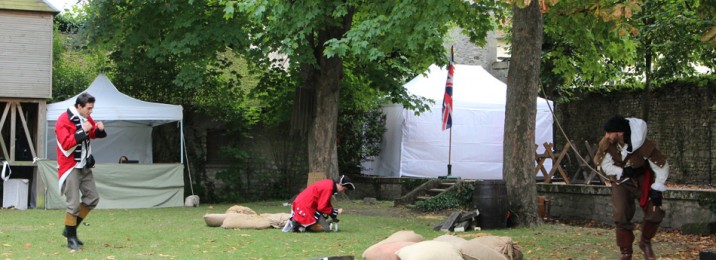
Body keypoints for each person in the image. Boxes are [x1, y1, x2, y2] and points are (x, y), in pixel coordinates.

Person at [594, 115, 668, 260]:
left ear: (620, 133)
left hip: (642, 179)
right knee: (620, 214)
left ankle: (645, 243)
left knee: (655, 210)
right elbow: (605, 165)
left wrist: (657, 187)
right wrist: (621, 171)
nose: (606, 136)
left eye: (609, 133)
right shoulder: (607, 143)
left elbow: (661, 165)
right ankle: (626, 252)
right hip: (621, 181)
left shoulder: (643, 144)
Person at [55, 92, 107, 250]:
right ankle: (71, 238)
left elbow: (91, 134)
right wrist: (82, 131)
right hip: (70, 167)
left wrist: (98, 129)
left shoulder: (85, 117)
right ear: (79, 106)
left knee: (92, 198)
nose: (91, 111)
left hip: (84, 165)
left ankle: (69, 228)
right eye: (89, 108)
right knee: (73, 205)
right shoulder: (63, 120)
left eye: (92, 108)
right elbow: (66, 143)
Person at [283, 175, 355, 232]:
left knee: (323, 224)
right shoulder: (328, 187)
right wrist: (335, 211)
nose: (343, 191)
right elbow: (322, 207)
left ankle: (306, 225)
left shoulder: (329, 184)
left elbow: (325, 203)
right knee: (326, 228)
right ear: (340, 184)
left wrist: (332, 213)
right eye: (344, 188)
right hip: (306, 206)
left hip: (307, 204)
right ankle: (298, 223)